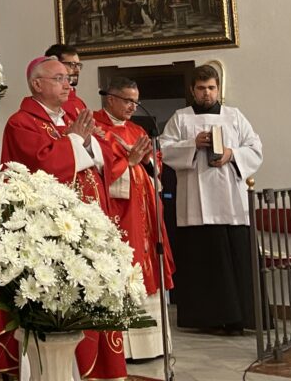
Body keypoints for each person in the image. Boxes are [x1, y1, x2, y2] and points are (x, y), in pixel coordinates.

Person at [0, 55, 125, 380]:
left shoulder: (72, 116)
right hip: (49, 238)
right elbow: (42, 166)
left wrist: (83, 141)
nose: (68, 84)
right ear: (37, 84)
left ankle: (93, 372)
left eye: (69, 78)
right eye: (59, 79)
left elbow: (104, 160)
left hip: (86, 231)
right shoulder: (20, 122)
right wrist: (76, 141)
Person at [159, 65, 263, 333]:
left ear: (218, 89)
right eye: (202, 88)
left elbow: (254, 147)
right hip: (196, 201)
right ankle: (206, 319)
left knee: (236, 256)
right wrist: (192, 144)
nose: (207, 93)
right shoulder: (181, 118)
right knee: (203, 260)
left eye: (211, 88)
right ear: (193, 90)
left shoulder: (234, 116)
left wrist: (231, 154)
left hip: (230, 199)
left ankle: (243, 318)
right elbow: (165, 150)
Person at [94, 77, 175, 360]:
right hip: (118, 212)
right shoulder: (96, 128)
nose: (133, 106)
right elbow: (96, 171)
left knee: (148, 264)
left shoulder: (137, 129)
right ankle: (125, 349)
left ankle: (152, 345)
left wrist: (146, 162)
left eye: (135, 100)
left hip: (145, 211)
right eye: (128, 100)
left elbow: (156, 164)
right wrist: (127, 163)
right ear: (110, 99)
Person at [44, 42, 87, 119]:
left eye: (78, 65)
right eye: (73, 65)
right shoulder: (51, 103)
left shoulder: (79, 102)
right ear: (55, 64)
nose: (77, 70)